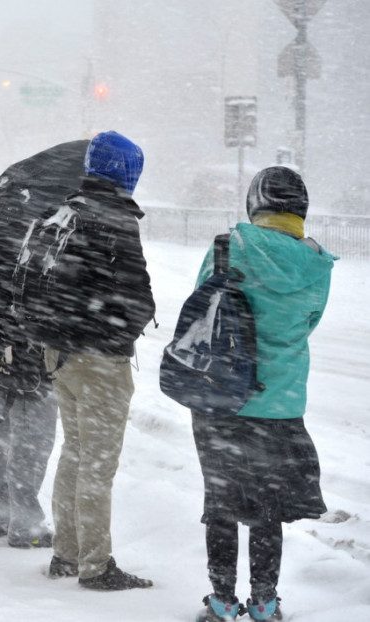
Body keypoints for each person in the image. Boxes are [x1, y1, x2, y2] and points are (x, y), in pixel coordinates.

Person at [192, 166, 335, 622]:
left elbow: (202, 310)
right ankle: (265, 602)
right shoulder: (316, 265)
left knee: (222, 501)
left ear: (256, 202)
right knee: (267, 506)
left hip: (221, 399)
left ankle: (220, 601)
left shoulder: (227, 248)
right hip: (281, 403)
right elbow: (308, 323)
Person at [44, 131, 155, 590]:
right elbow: (139, 297)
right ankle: (95, 565)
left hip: (59, 353)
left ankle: (66, 553)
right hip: (98, 358)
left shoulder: (62, 212)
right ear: (126, 171)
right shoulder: (114, 219)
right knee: (97, 463)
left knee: (74, 451)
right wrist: (120, 331)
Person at [0, 361, 58, 546]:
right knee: (31, 447)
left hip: (2, 365)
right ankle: (25, 527)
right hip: (31, 372)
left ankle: (5, 517)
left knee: (0, 440)